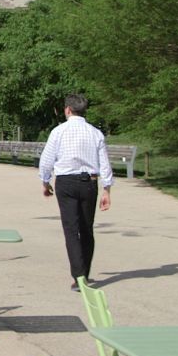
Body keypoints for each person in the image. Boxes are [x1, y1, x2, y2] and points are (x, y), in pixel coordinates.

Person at [39, 94, 113, 291]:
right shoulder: (95, 133)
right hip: (89, 182)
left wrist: (45, 182)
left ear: (67, 110)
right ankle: (85, 273)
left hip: (66, 182)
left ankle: (78, 276)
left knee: (71, 230)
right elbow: (104, 163)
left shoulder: (58, 131)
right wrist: (107, 190)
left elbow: (47, 160)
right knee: (86, 229)